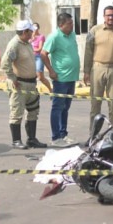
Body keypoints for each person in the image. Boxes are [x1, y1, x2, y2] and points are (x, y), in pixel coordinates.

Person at [83, 5, 113, 132]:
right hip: (97, 68)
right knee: (95, 104)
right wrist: (86, 72)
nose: (111, 18)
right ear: (104, 16)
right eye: (108, 15)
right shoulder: (95, 30)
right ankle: (93, 134)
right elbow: (88, 52)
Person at [2, 20, 48, 149]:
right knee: (17, 113)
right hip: (20, 84)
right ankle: (16, 140)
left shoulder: (27, 43)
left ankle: (31, 139)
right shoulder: (14, 45)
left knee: (33, 111)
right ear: (24, 32)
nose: (32, 33)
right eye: (30, 31)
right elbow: (4, 64)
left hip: (31, 84)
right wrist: (12, 78)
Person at [41, 13, 80, 147]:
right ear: (61, 25)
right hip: (60, 78)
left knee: (66, 107)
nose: (72, 26)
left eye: (72, 23)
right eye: (69, 24)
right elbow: (43, 54)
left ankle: (63, 134)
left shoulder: (72, 35)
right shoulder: (54, 37)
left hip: (71, 78)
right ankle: (56, 137)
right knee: (57, 107)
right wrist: (51, 70)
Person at [29, 22, 52, 92]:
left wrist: (31, 49)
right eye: (33, 28)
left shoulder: (41, 37)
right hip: (30, 57)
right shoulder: (30, 37)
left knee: (40, 76)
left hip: (38, 56)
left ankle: (51, 89)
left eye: (36, 28)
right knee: (31, 75)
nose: (34, 30)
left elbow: (40, 48)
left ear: (38, 29)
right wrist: (32, 39)